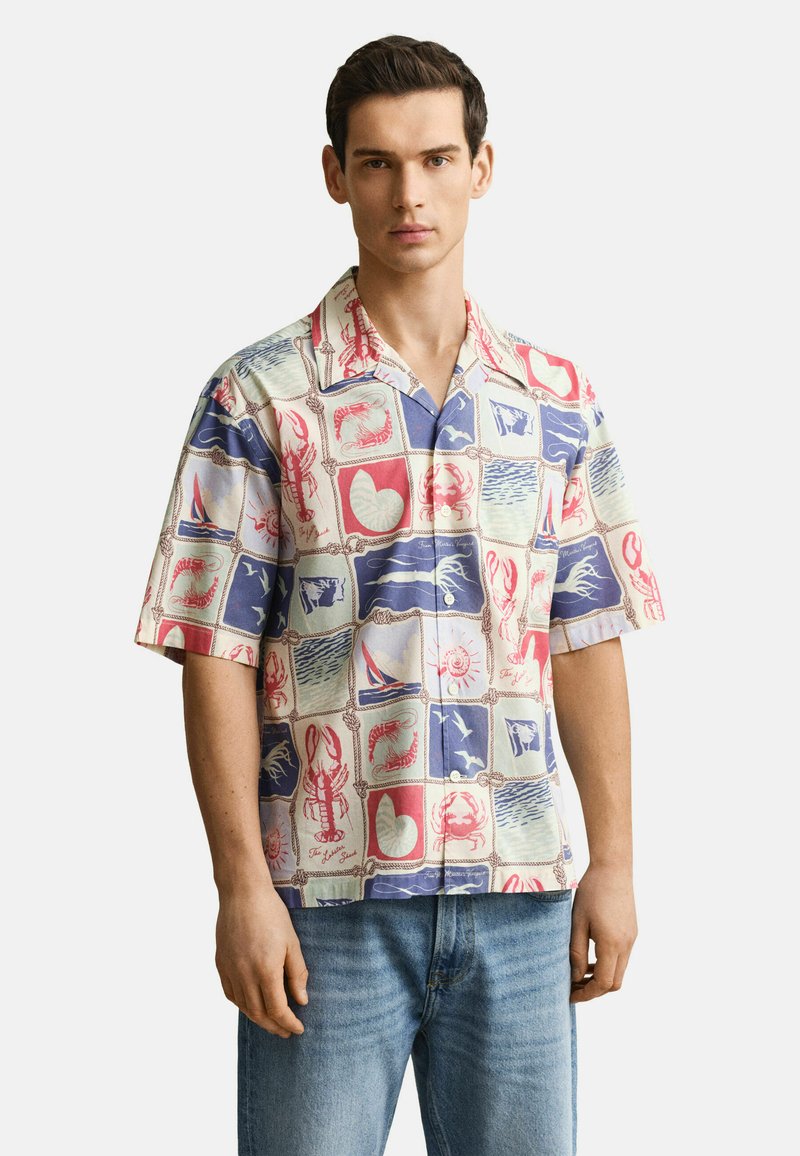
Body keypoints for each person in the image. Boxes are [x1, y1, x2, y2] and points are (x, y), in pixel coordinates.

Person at [134, 34, 666, 1156]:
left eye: (434, 159)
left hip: (521, 897)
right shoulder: (258, 397)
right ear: (335, 174)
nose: (408, 193)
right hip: (324, 906)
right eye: (376, 163)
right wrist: (240, 888)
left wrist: (614, 863)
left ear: (482, 167)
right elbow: (214, 651)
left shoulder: (557, 400)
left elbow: (584, 637)